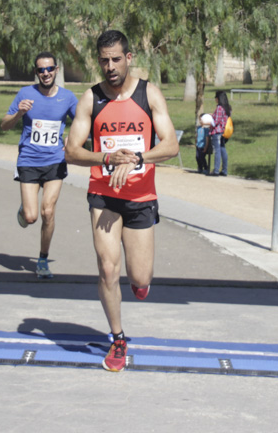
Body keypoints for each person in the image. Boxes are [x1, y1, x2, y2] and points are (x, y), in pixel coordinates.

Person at [64, 30, 178, 372]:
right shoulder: (91, 99)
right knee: (107, 268)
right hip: (104, 196)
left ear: (129, 58)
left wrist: (137, 159)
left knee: (140, 280)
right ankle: (117, 339)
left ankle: (139, 287)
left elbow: (171, 146)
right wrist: (108, 159)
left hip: (141, 196)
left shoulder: (148, 94)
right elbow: (71, 151)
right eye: (104, 61)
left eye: (116, 59)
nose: (110, 67)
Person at [0, 52, 77, 280]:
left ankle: (42, 259)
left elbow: (83, 122)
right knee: (32, 217)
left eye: (49, 69)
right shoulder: (25, 94)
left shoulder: (68, 97)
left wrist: (70, 140)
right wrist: (20, 113)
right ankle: (24, 209)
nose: (45, 73)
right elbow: (4, 125)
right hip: (29, 161)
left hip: (54, 160)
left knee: (48, 211)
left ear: (56, 70)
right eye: (41, 70)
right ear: (36, 72)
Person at [209, 90, 232, 176]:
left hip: (217, 131)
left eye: (216, 97)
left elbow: (216, 122)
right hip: (223, 132)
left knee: (217, 151)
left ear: (218, 98)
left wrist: (208, 121)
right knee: (223, 150)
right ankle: (224, 170)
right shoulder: (228, 108)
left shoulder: (219, 108)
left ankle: (216, 170)